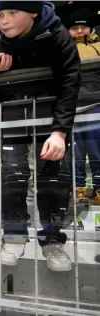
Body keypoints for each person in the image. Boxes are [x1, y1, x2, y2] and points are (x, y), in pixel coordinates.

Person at [0, 1, 81, 271]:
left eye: (13, 13)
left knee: (53, 178)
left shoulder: (58, 35)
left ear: (33, 12)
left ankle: (52, 239)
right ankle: (13, 236)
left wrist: (59, 131)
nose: (4, 20)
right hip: (13, 117)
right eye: (0, 14)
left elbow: (70, 81)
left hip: (49, 120)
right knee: (12, 175)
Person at [62, 7, 100, 205]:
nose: (79, 31)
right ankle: (78, 195)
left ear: (90, 28)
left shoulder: (99, 46)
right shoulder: (63, 49)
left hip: (96, 106)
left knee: (97, 153)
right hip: (72, 109)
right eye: (74, 28)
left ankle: (99, 193)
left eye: (83, 27)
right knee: (74, 157)